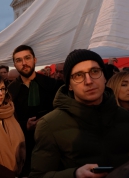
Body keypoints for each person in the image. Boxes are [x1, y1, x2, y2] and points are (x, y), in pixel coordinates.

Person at [29, 49, 129, 178]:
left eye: (94, 71)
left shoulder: (124, 117)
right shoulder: (49, 125)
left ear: (104, 76)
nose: (88, 81)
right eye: (78, 75)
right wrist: (74, 174)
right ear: (69, 85)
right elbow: (38, 175)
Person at [8, 45, 63, 177]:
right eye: (19, 60)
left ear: (35, 59)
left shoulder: (53, 85)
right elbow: (6, 121)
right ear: (15, 64)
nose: (24, 63)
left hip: (53, 148)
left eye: (27, 58)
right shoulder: (9, 91)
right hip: (23, 150)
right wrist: (24, 125)